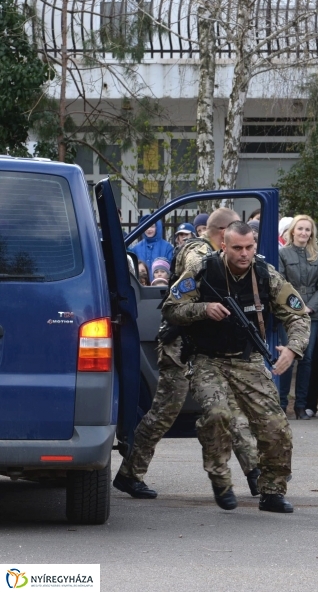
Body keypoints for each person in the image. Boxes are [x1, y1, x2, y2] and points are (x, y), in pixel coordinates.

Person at [114, 208, 261, 500]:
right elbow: (197, 265)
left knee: (229, 409)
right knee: (164, 413)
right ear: (222, 234)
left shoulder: (211, 251)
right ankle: (130, 474)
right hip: (180, 345)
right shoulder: (197, 249)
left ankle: (256, 474)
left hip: (202, 345)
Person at [162, 221, 310, 512]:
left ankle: (272, 491)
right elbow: (171, 307)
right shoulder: (203, 271)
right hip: (207, 358)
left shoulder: (265, 274)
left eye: (249, 247)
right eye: (238, 248)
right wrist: (203, 309)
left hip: (248, 358)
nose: (244, 254)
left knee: (275, 427)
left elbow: (298, 315)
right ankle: (220, 477)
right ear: (223, 246)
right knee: (218, 414)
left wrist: (293, 349)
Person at [278, 215, 318, 419]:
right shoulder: (283, 254)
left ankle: (300, 405)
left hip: (311, 314)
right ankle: (281, 403)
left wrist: (309, 308)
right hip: (288, 313)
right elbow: (280, 283)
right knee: (287, 355)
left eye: (308, 230)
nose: (304, 233)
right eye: (300, 229)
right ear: (292, 231)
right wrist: (295, 307)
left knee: (306, 359)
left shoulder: (317, 256)